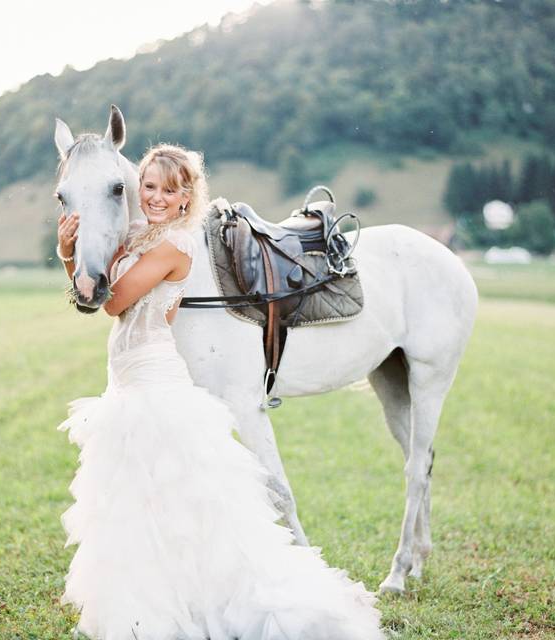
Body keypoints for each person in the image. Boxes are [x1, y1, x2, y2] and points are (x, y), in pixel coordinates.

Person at [55, 144, 384, 640]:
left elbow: (111, 301)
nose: (157, 198)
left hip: (155, 385)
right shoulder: (143, 240)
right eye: (149, 187)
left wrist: (68, 256)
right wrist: (78, 257)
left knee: (189, 503)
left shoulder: (174, 247)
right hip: (129, 383)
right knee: (149, 504)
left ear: (188, 198)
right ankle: (162, 600)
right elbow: (98, 292)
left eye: (170, 191)